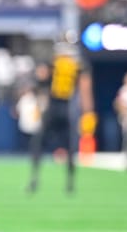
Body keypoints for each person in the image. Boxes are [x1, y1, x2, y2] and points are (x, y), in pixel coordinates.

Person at [26, 33, 95, 194]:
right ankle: (70, 184)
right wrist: (88, 113)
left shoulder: (53, 62)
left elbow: (40, 82)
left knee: (39, 144)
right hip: (66, 108)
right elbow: (85, 91)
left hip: (54, 107)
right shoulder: (78, 64)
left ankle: (35, 180)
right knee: (69, 147)